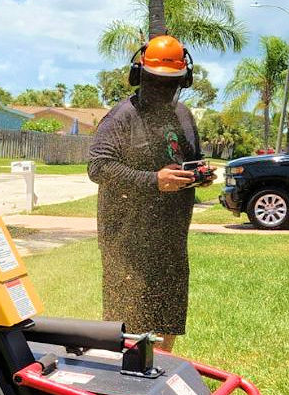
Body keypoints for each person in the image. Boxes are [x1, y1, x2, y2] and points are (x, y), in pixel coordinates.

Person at [87, 34, 211, 353]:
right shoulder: (122, 117)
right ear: (139, 76)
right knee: (127, 315)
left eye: (171, 84)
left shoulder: (182, 116)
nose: (163, 90)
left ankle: (160, 375)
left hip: (171, 236)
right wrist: (152, 180)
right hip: (128, 239)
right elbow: (98, 166)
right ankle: (120, 382)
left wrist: (198, 175)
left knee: (168, 310)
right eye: (156, 82)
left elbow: (185, 160)